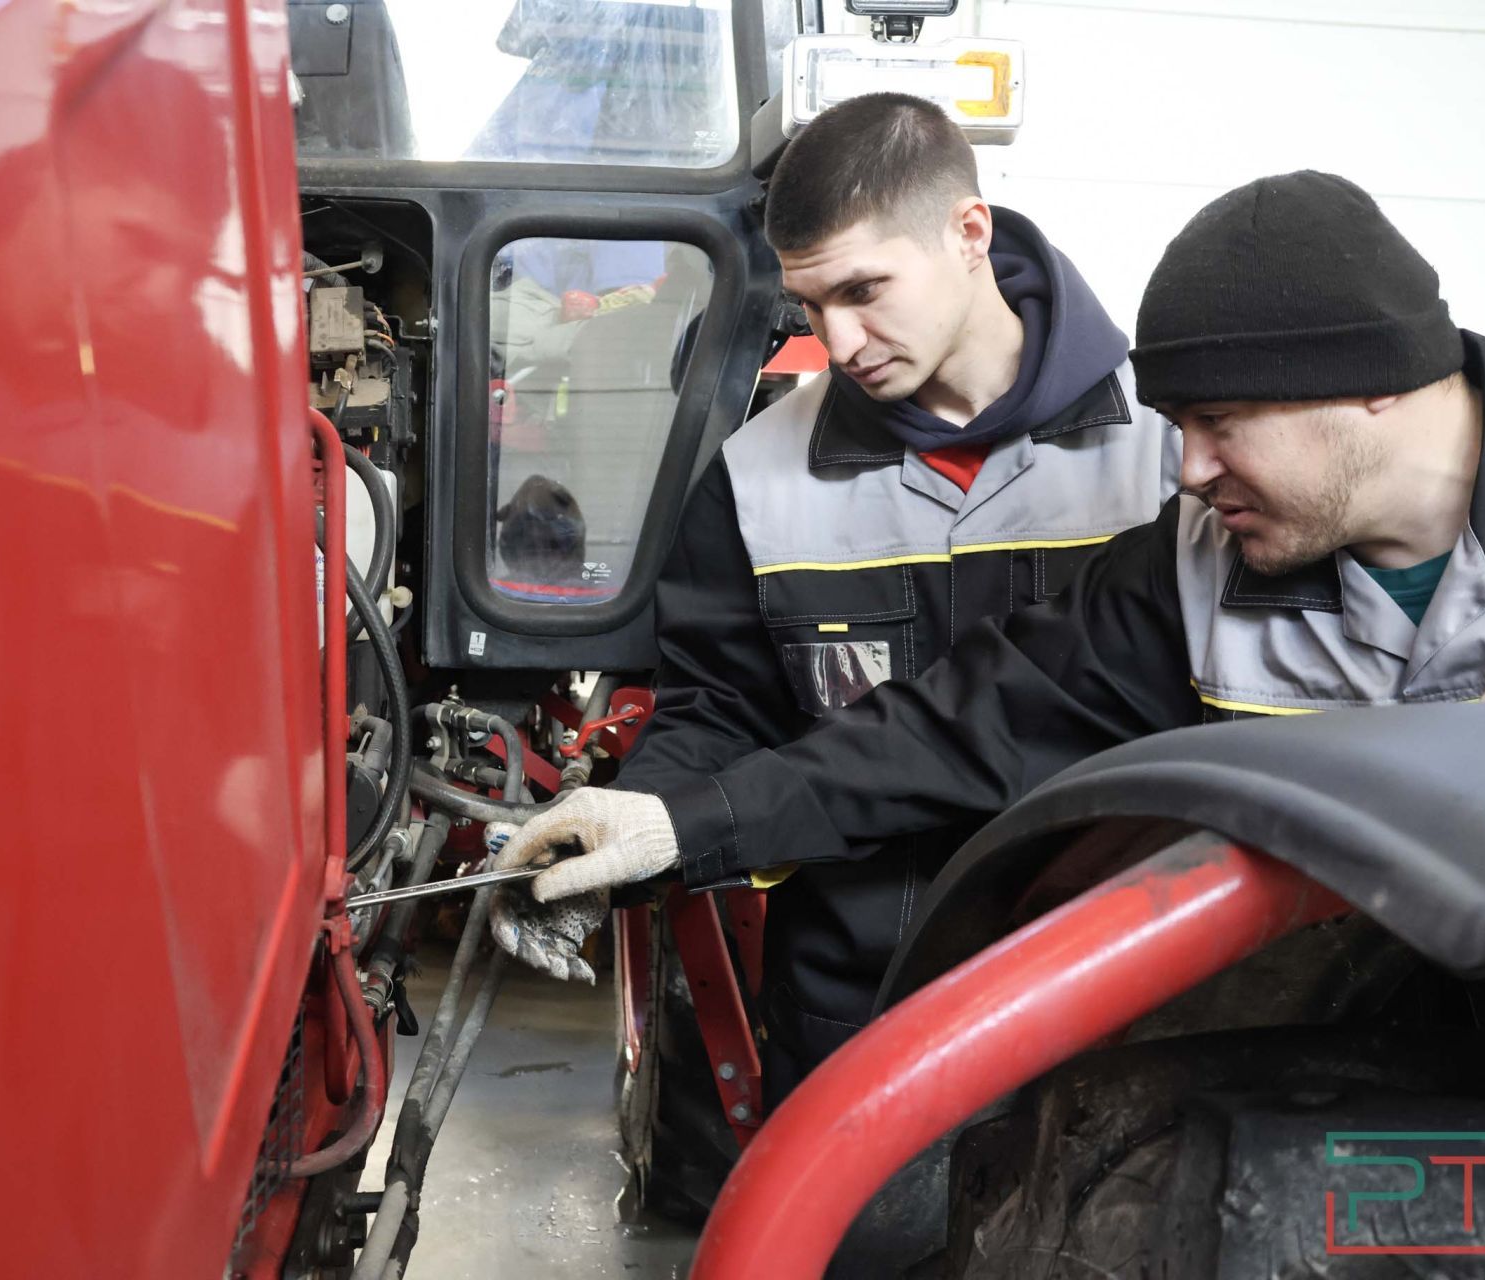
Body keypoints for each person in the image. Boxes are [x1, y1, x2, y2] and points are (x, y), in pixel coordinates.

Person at [491, 169, 1485, 992]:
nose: (1188, 471)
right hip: (1303, 1072)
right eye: (1180, 427)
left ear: (1367, 382)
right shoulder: (1190, 565)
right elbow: (950, 731)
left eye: (1220, 423)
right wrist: (675, 825)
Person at [490, 93, 1181, 1101]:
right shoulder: (759, 476)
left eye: (864, 290)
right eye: (812, 305)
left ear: (969, 233)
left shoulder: (1172, 450)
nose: (841, 340)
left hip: (1121, 990)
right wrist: (631, 828)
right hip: (857, 1005)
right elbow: (720, 709)